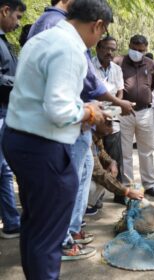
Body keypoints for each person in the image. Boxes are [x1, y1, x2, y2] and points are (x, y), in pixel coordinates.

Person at [2, 0, 111, 278]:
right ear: (97, 25)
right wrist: (89, 111)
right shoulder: (69, 49)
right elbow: (59, 110)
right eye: (103, 32)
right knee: (48, 234)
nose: (100, 38)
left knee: (35, 224)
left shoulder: (42, 38)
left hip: (19, 138)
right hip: (43, 147)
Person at [26, 0, 133, 259]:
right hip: (62, 124)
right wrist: (110, 105)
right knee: (65, 184)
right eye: (101, 29)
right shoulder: (56, 27)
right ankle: (61, 240)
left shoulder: (61, 27)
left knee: (80, 177)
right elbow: (81, 81)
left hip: (77, 122)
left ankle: (70, 230)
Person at [114, 34, 154, 198]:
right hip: (124, 112)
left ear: (146, 49)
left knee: (146, 151)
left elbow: (153, 84)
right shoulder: (118, 62)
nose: (137, 52)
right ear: (129, 45)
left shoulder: (151, 64)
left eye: (141, 50)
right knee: (125, 152)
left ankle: (149, 185)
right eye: (134, 49)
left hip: (145, 113)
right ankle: (127, 186)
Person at [0, 0, 25, 240]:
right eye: (16, 17)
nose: (17, 24)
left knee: (4, 171)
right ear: (5, 10)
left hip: (6, 111)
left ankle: (11, 221)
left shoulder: (4, 42)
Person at [92, 35, 125, 206]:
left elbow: (120, 92)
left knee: (114, 156)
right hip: (94, 117)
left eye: (113, 49)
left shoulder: (116, 69)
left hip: (112, 116)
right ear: (98, 48)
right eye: (106, 48)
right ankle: (96, 198)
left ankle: (120, 193)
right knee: (96, 156)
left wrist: (115, 108)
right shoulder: (89, 66)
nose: (110, 52)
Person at [88, 120, 144, 213]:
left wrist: (112, 162)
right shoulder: (88, 138)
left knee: (109, 173)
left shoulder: (96, 133)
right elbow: (98, 173)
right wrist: (127, 191)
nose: (111, 130)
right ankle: (79, 211)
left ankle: (88, 203)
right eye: (109, 125)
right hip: (74, 181)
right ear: (98, 123)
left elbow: (101, 151)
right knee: (97, 182)